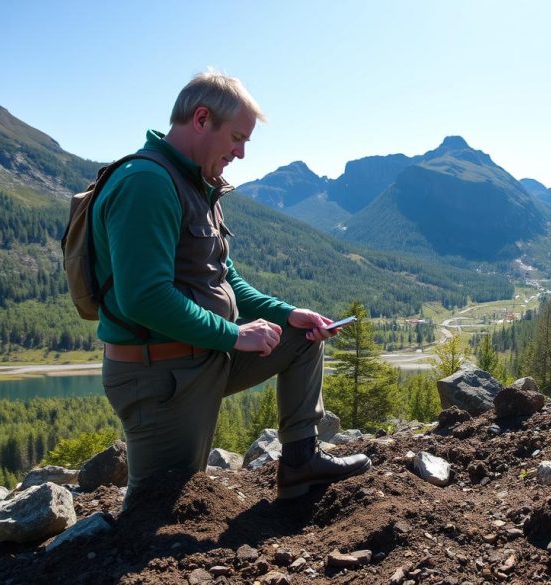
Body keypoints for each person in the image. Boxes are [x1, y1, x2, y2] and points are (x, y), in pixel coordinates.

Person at [92, 71, 370, 509]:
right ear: (201, 119)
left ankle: (301, 462)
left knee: (301, 339)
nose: (240, 153)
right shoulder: (146, 182)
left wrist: (287, 313)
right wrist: (236, 335)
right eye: (237, 139)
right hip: (161, 376)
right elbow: (143, 297)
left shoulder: (195, 183)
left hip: (203, 355)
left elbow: (226, 278)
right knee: (162, 508)